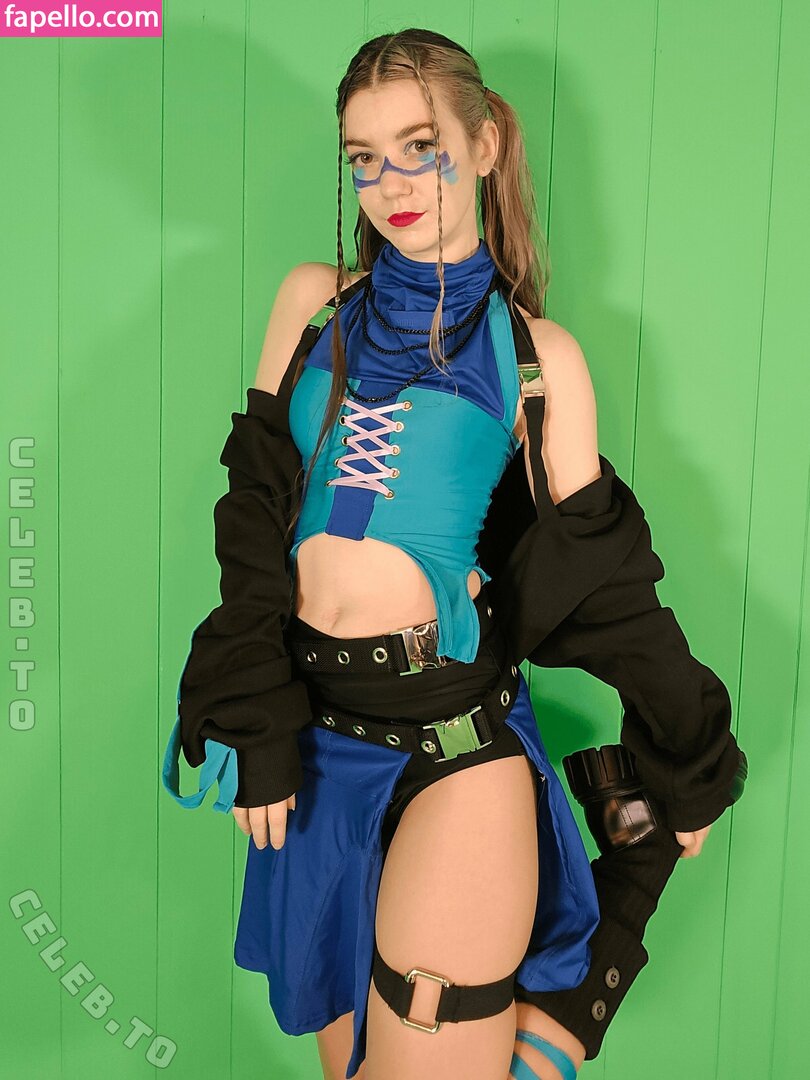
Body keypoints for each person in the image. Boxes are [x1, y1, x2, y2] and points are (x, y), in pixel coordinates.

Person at [160, 28, 747, 1080]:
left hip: (452, 738)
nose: (390, 182)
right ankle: (590, 962)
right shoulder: (312, 303)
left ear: (484, 145)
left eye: (420, 146)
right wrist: (253, 703)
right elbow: (250, 522)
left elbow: (609, 582)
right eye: (364, 156)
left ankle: (632, 883)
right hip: (313, 735)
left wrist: (689, 751)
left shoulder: (535, 358)